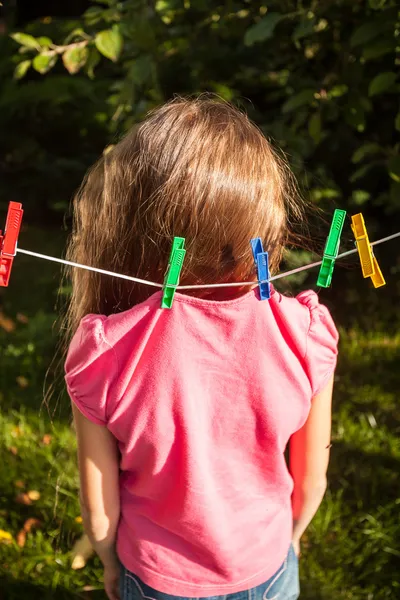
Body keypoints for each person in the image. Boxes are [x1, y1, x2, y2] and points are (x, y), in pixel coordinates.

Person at [64, 97, 338, 600]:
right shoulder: (306, 335)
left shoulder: (105, 353)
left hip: (153, 578)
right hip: (268, 567)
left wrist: (109, 564)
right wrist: (290, 541)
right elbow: (312, 482)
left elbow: (99, 512)